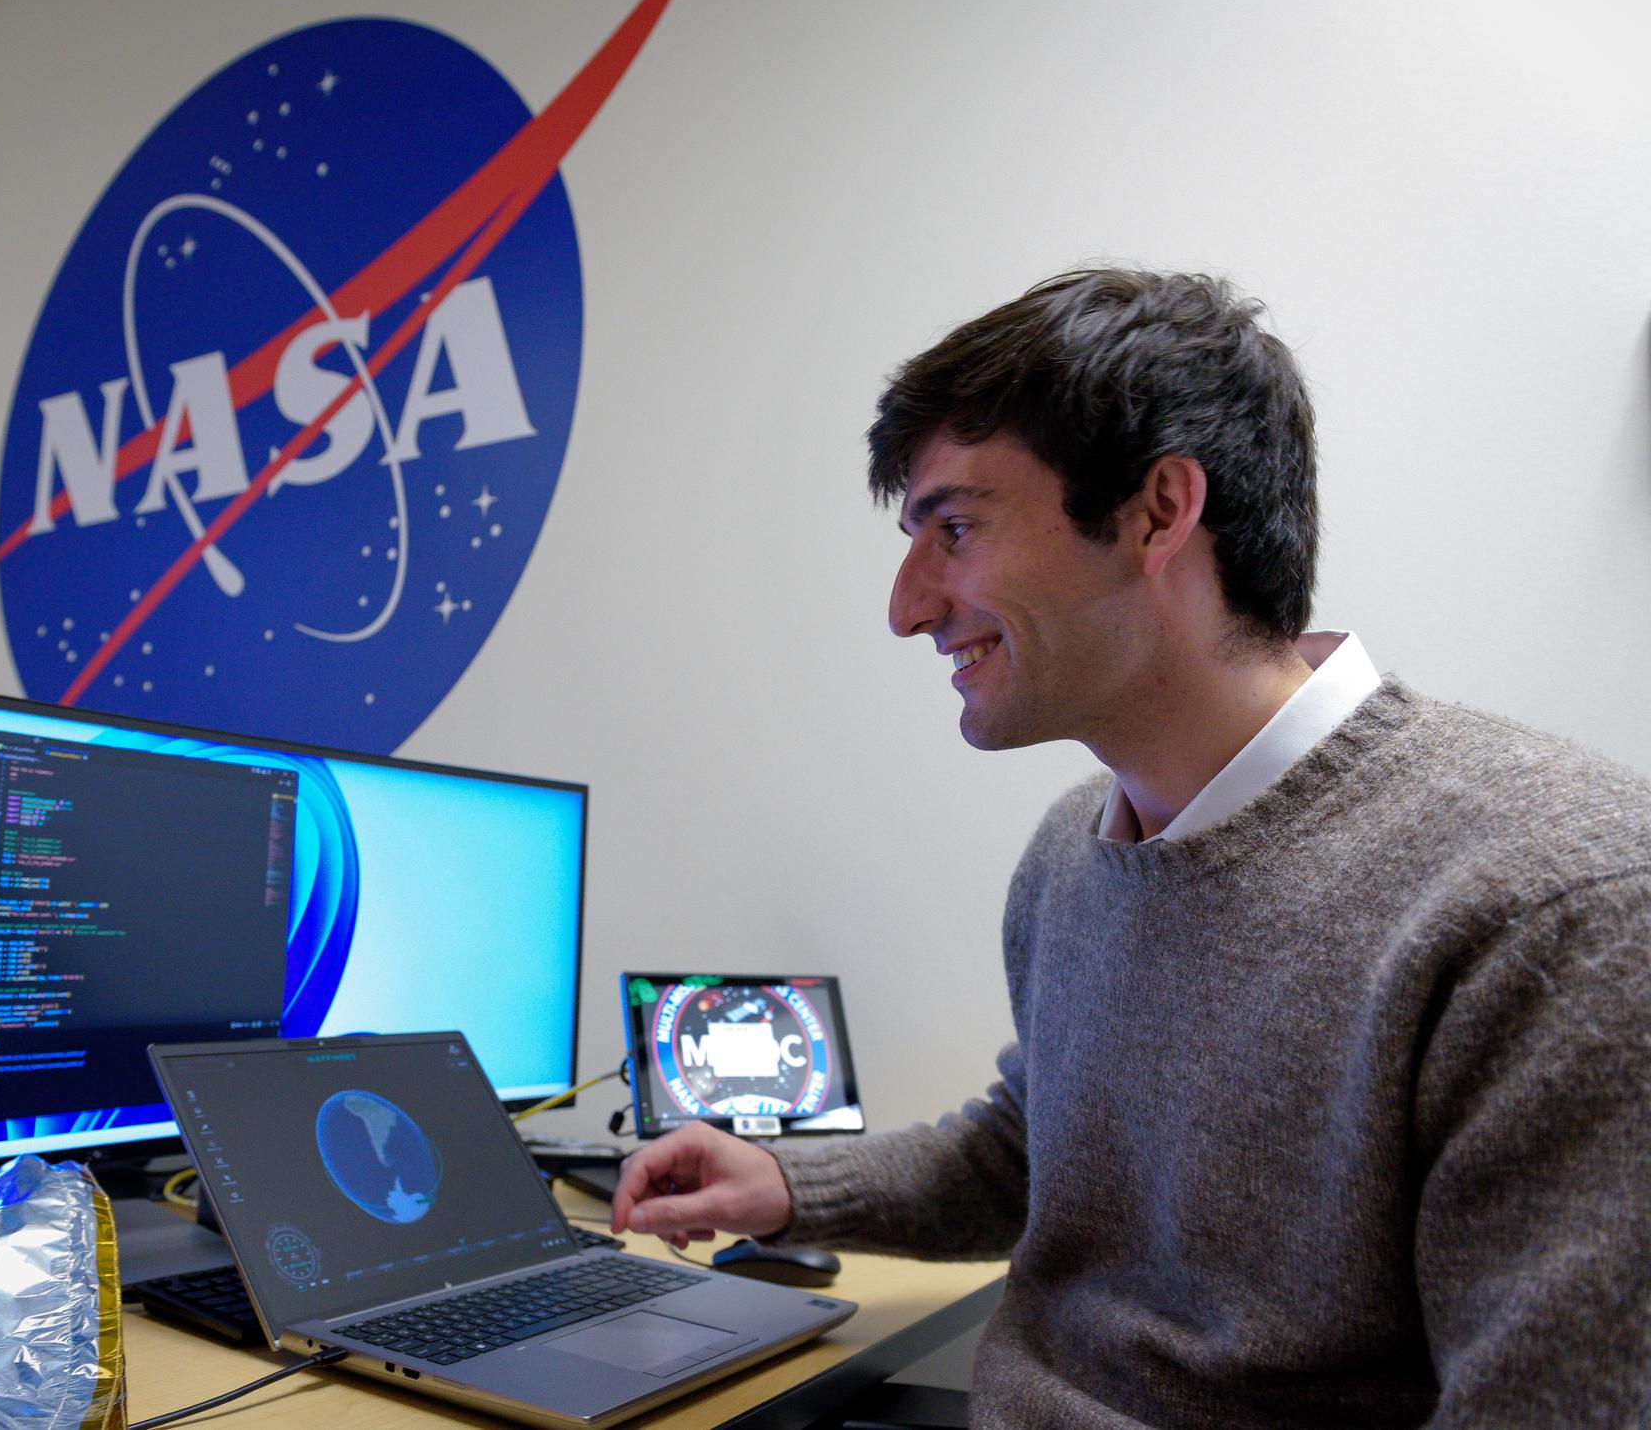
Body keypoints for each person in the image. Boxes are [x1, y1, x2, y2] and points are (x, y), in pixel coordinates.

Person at [610, 269, 1651, 1427]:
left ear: (1160, 509)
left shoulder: (1561, 905)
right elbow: (1035, 1154)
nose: (907, 607)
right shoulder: (1072, 854)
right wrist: (788, 1185)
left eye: (954, 529)